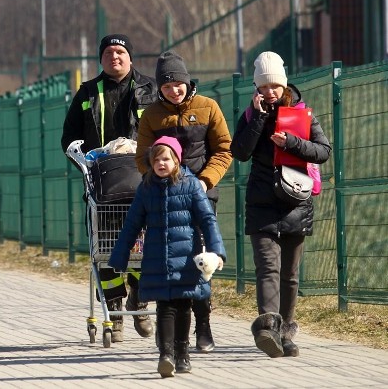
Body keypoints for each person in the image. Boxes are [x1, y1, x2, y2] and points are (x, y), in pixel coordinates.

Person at [230, 51, 331, 358]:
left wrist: (291, 143)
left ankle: (286, 332)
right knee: (267, 267)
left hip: (295, 202)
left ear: (283, 84)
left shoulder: (301, 113)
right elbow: (240, 151)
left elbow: (323, 150)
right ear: (256, 87)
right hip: (262, 202)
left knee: (289, 273)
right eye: (263, 86)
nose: (270, 92)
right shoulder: (250, 115)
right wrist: (259, 118)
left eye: (274, 85)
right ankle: (267, 329)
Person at [61, 33, 157, 341]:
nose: (114, 57)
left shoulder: (148, 89)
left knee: (144, 247)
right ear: (100, 58)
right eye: (108, 53)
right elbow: (69, 139)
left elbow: (164, 134)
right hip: (102, 188)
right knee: (106, 250)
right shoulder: (88, 92)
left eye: (120, 52)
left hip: (143, 184)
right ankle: (113, 315)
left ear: (130, 57)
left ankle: (139, 301)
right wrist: (85, 167)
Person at [135, 51, 233, 352]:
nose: (173, 90)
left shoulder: (208, 107)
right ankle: (172, 329)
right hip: (165, 200)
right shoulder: (151, 116)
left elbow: (223, 150)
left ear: (187, 81)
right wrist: (161, 179)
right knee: (173, 263)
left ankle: (204, 326)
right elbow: (142, 158)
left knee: (204, 262)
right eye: (166, 86)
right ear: (160, 88)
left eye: (177, 83)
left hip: (202, 197)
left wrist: (204, 182)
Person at [108, 136, 226, 378]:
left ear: (176, 160)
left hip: (186, 260)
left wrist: (216, 250)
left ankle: (182, 354)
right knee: (164, 307)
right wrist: (120, 255)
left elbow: (207, 220)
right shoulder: (146, 188)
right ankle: (166, 355)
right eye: (156, 160)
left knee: (183, 307)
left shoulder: (191, 186)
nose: (161, 164)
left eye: (166, 159)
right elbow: (132, 224)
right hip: (156, 259)